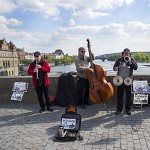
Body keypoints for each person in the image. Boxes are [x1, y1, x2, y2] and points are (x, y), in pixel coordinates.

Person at [113, 48, 138, 115]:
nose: (126, 54)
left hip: (128, 80)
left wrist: (130, 61)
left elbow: (135, 68)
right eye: (125, 53)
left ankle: (128, 110)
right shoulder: (119, 60)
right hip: (120, 80)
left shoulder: (132, 59)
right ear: (123, 53)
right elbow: (114, 67)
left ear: (130, 54)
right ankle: (119, 109)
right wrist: (115, 68)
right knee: (119, 96)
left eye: (128, 53)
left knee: (128, 96)